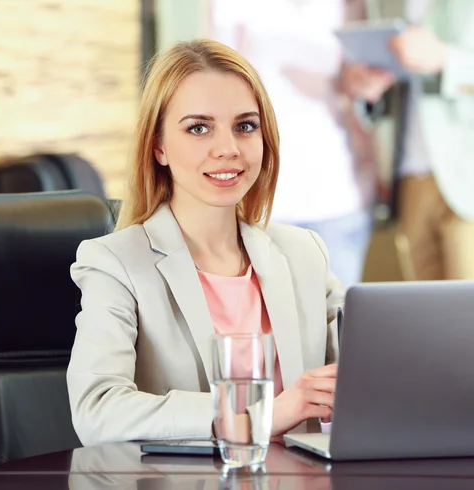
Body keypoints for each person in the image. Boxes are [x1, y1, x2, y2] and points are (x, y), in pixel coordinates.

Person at [66, 39, 344, 447]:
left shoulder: (304, 253)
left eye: (245, 126)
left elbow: (371, 374)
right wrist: (262, 415)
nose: (228, 149)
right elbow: (97, 411)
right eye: (199, 128)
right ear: (158, 146)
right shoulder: (115, 263)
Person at [208, 0, 396, 288]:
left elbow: (366, 88)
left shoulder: (349, 5)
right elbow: (214, 86)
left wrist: (362, 85)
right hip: (262, 199)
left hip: (340, 194)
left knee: (336, 327)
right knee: (263, 324)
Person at [364, 0, 474, 280]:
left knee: (466, 314)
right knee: (429, 311)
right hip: (408, 175)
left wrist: (446, 59)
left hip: (464, 172)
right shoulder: (386, 5)